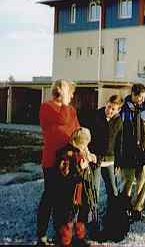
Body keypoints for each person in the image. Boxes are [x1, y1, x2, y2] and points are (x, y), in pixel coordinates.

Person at [37, 79, 80, 246]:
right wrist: (63, 102)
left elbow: (76, 132)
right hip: (52, 161)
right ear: (61, 92)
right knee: (49, 197)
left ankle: (60, 233)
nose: (72, 95)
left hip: (67, 161)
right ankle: (41, 234)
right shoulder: (47, 107)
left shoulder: (71, 110)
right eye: (70, 92)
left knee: (64, 199)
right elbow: (62, 120)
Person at [117, 83, 145, 222]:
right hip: (127, 154)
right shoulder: (122, 110)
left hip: (144, 154)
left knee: (144, 182)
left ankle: (137, 209)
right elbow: (118, 135)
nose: (142, 100)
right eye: (140, 98)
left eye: (144, 98)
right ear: (133, 94)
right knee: (127, 182)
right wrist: (118, 159)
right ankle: (123, 210)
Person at [54, 127, 97, 247]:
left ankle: (80, 238)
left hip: (81, 190)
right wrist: (80, 168)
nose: (85, 147)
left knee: (82, 214)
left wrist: (92, 161)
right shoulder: (67, 154)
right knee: (68, 217)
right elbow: (65, 174)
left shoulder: (82, 151)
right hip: (69, 191)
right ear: (77, 142)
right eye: (83, 145)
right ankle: (65, 241)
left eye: (86, 145)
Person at [86, 94, 123, 236]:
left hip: (110, 160)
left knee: (112, 190)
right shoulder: (96, 116)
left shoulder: (119, 121)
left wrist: (118, 162)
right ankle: (93, 222)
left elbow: (119, 142)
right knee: (93, 191)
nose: (109, 111)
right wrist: (89, 154)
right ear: (106, 103)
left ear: (118, 110)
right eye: (108, 107)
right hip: (95, 159)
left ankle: (112, 218)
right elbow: (88, 137)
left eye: (113, 109)